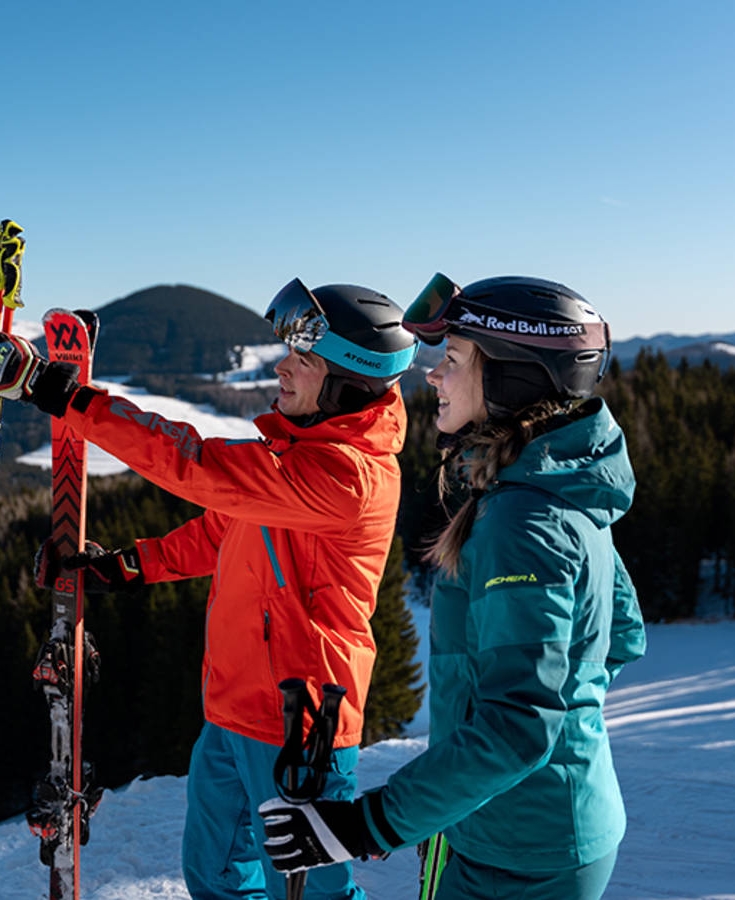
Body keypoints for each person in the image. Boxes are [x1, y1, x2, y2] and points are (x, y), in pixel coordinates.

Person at [0, 278, 417, 900]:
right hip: (230, 708)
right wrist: (130, 566)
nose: (282, 367)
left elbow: (193, 465)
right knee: (214, 876)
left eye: (302, 360)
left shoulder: (346, 479)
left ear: (347, 383)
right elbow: (223, 531)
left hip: (300, 727)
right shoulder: (298, 451)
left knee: (312, 894)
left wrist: (52, 390)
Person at [258, 274, 647, 900]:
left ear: (512, 379)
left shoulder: (524, 523)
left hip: (519, 851)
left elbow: (519, 724)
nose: (434, 376)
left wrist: (362, 826)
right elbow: (620, 636)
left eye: (455, 360)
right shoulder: (556, 491)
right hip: (516, 826)